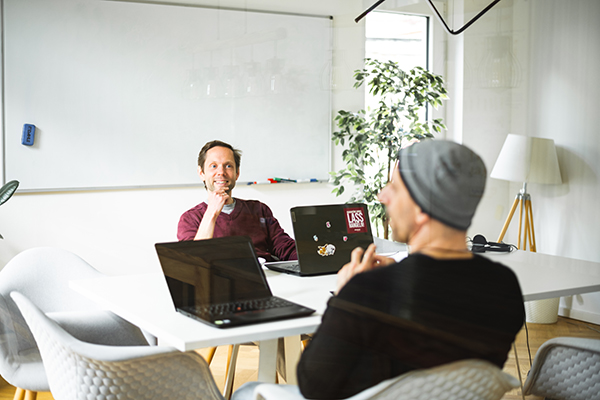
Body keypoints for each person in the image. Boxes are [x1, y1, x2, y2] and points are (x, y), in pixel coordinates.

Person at [293, 139, 525, 399]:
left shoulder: (368, 291)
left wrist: (346, 297)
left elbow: (313, 385)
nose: (382, 196)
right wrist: (393, 278)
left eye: (395, 187)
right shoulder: (505, 286)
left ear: (422, 208)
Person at [177, 140, 297, 261]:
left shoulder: (259, 210)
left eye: (228, 166)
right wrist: (212, 212)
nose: (221, 172)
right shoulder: (190, 219)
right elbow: (194, 261)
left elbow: (285, 247)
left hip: (266, 276)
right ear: (201, 173)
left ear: (237, 173)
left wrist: (309, 255)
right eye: (213, 166)